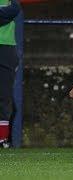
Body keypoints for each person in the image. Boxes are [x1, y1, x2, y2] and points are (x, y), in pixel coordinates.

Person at [0, 0, 21, 148]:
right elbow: (11, 10)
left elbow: (15, 8)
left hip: (7, 49)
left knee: (4, 96)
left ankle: (2, 139)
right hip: (7, 48)